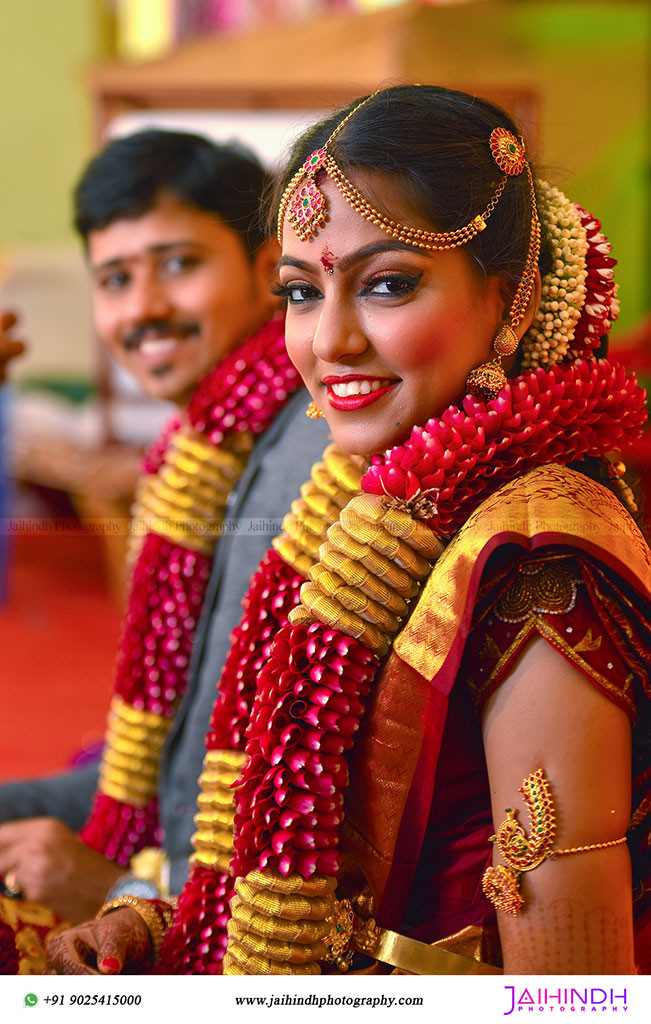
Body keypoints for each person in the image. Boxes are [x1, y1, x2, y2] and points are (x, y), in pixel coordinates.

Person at [46, 85, 650, 977]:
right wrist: (158, 925)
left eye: (387, 284)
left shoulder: (540, 568)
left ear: (511, 297)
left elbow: (575, 998)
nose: (329, 340)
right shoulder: (356, 511)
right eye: (300, 291)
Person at [0, 129, 331, 972]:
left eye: (178, 263)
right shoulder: (195, 460)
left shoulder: (314, 454)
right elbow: (158, 767)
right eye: (114, 278)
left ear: (268, 272)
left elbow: (308, 819)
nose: (142, 307)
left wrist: (116, 888)